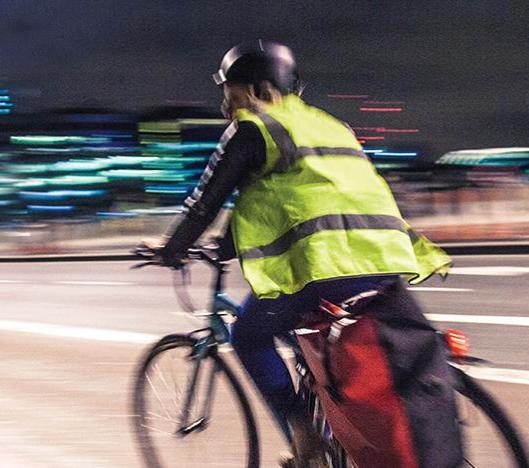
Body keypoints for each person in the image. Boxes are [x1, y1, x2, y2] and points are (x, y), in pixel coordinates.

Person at [143, 40, 462, 468]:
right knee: (305, 339)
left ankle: (306, 440)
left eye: (230, 90)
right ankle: (338, 431)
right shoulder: (330, 125)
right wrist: (228, 244)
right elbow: (307, 198)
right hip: (383, 257)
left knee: (250, 336)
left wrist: (171, 248)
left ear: (257, 88)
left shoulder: (254, 128)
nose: (225, 102)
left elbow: (206, 200)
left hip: (326, 266)